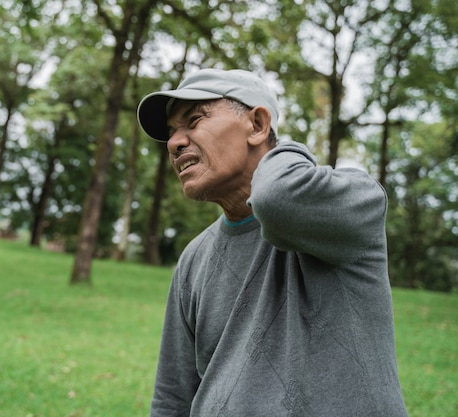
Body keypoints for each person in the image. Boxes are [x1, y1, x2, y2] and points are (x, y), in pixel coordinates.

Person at [136, 68, 408, 417]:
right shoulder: (193, 259)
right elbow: (172, 398)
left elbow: (276, 199)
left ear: (257, 124)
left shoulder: (353, 202)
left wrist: (278, 149)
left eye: (195, 120)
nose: (174, 142)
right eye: (172, 132)